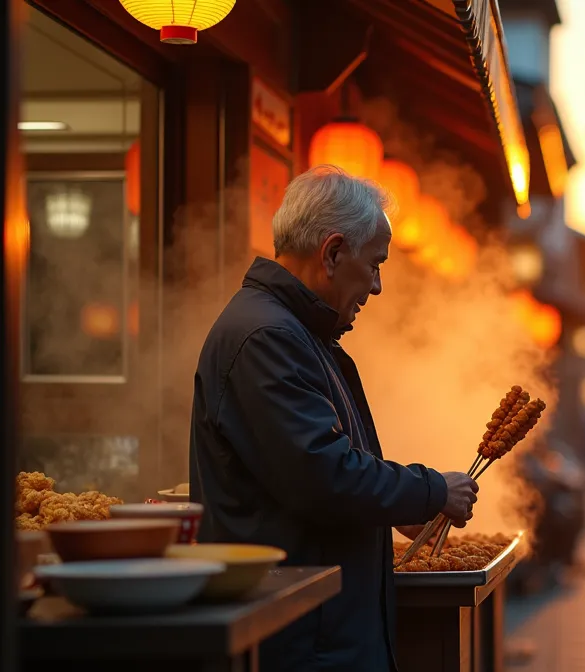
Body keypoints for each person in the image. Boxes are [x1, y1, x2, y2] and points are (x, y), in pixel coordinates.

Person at [189, 165, 479, 672]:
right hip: (301, 641)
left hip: (316, 631)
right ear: (333, 252)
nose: (378, 286)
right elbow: (322, 475)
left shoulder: (295, 333)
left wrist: (396, 509)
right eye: (375, 265)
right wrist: (432, 491)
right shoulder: (268, 337)